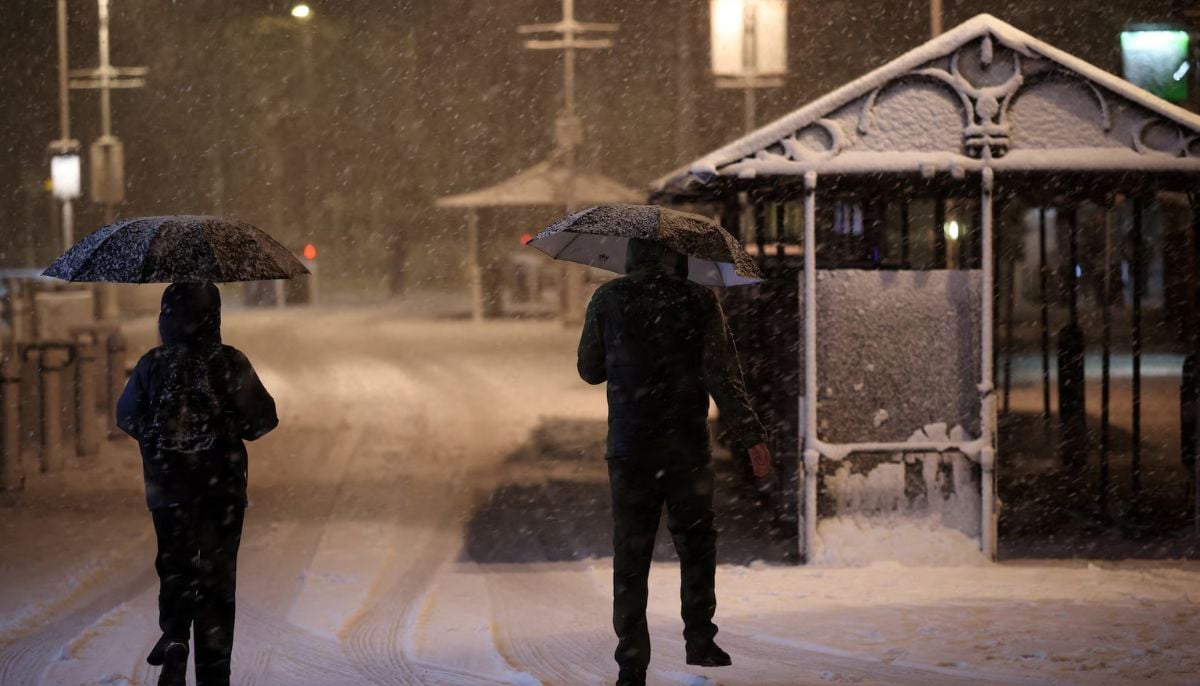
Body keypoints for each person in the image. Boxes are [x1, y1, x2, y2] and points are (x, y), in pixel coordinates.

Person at [577, 238, 772, 686]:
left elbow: (589, 370)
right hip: (685, 447)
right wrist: (751, 436)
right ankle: (700, 639)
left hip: (630, 447)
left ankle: (631, 663)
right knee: (697, 544)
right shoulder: (699, 299)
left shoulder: (609, 298)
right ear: (680, 256)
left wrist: (623, 347)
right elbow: (723, 374)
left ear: (630, 255)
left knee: (631, 554)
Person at [117, 282, 278, 686]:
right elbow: (263, 420)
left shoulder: (152, 364)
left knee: (175, 567)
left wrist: (164, 444)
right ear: (216, 317)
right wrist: (228, 425)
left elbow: (127, 416)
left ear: (164, 318)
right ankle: (213, 673)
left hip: (168, 489)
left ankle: (174, 638)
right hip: (221, 489)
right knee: (217, 579)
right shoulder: (229, 362)